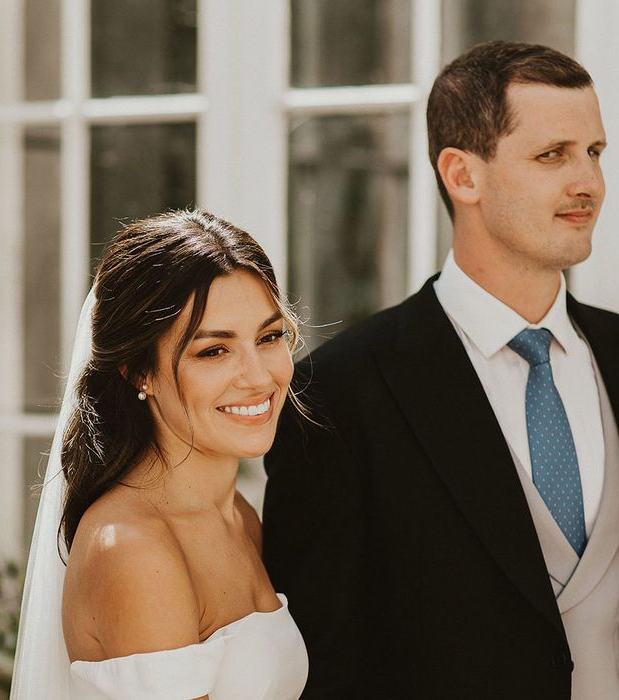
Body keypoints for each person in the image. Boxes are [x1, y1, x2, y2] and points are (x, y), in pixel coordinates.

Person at [263, 40, 619, 699]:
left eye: (594, 152)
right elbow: (327, 668)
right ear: (462, 175)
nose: (588, 184)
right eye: (552, 156)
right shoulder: (340, 396)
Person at [11, 210, 308, 699]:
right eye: (214, 351)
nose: (259, 376)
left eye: (269, 337)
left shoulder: (238, 516)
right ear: (138, 371)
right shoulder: (134, 548)